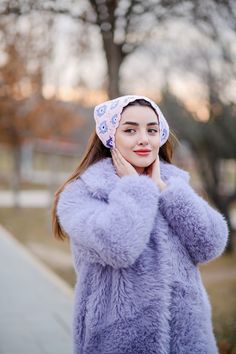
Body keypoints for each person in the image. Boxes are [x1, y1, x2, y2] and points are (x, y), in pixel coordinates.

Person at [51, 95, 229, 354]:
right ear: (111, 137)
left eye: (152, 130)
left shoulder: (174, 186)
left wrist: (164, 190)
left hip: (189, 341)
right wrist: (136, 188)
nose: (144, 138)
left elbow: (211, 243)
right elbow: (119, 246)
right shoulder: (82, 194)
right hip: (118, 342)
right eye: (130, 130)